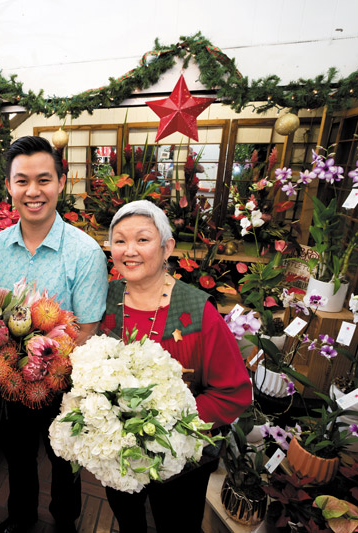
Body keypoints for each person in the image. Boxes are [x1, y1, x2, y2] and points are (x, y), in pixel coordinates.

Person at [0, 136, 108, 533]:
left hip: (62, 382)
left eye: (43, 179)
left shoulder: (84, 252)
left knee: (63, 460)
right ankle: (20, 518)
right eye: (22, 181)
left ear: (61, 183)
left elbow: (88, 327)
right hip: (9, 381)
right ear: (8, 187)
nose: (33, 192)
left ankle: (65, 521)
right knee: (18, 458)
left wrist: (45, 363)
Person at [102, 200, 251, 533]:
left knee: (178, 525)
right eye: (120, 240)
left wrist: (166, 424)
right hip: (117, 452)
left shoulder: (199, 311)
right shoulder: (103, 299)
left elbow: (234, 391)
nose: (130, 250)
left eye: (143, 239)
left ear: (167, 246)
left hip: (182, 457)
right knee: (128, 519)